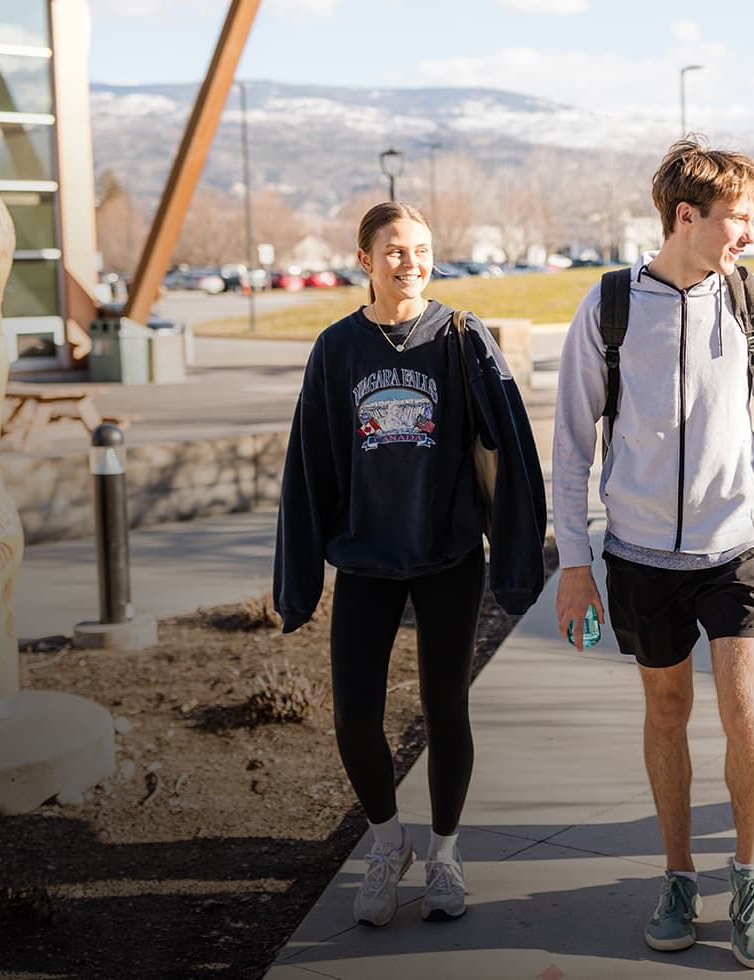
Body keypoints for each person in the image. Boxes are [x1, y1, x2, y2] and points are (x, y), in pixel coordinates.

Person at [549, 138, 754, 969]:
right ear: (685, 216)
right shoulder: (609, 308)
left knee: (746, 712)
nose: (750, 236)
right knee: (666, 713)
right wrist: (575, 564)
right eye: (739, 220)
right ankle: (676, 876)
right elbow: (569, 446)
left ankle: (751, 875)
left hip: (739, 547)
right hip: (637, 556)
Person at [274, 201, 546, 929]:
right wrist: (299, 576)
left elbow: (513, 448)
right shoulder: (337, 349)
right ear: (364, 260)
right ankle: (388, 842)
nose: (411, 262)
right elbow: (311, 465)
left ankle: (446, 855)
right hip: (366, 558)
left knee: (445, 709)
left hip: (446, 556)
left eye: (421, 249)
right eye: (394, 250)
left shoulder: (461, 337)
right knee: (355, 717)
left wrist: (520, 554)